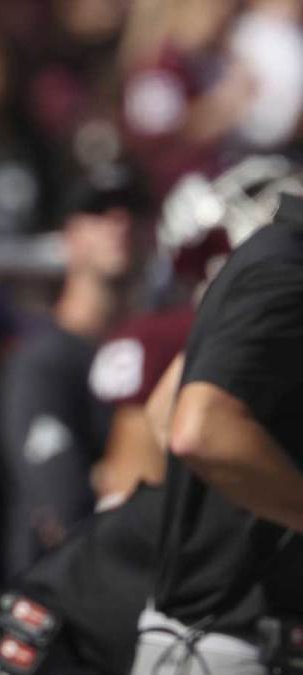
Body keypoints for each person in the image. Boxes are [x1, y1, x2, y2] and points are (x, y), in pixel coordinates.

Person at [129, 180, 303, 671]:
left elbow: (166, 408)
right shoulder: (287, 266)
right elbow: (199, 430)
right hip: (236, 644)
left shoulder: (272, 255)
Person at [0, 169, 147, 577]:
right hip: (62, 596)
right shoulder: (40, 363)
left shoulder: (164, 351)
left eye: (134, 208)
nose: (120, 222)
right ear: (68, 235)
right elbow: (66, 506)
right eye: (97, 210)